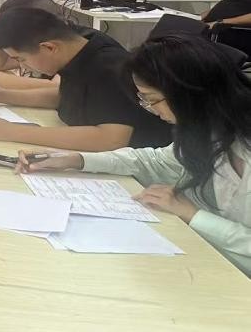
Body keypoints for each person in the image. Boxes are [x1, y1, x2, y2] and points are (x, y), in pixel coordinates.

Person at [18, 35, 251, 276]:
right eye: (143, 99)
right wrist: (76, 159)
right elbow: (155, 161)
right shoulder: (210, 129)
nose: (150, 109)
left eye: (152, 99)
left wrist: (192, 214)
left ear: (190, 92)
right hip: (213, 257)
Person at [0, 7, 172, 151]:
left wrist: (12, 131)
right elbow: (66, 96)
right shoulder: (78, 44)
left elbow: (111, 138)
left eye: (22, 59)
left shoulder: (109, 67)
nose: (22, 66)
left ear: (49, 47)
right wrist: (1, 95)